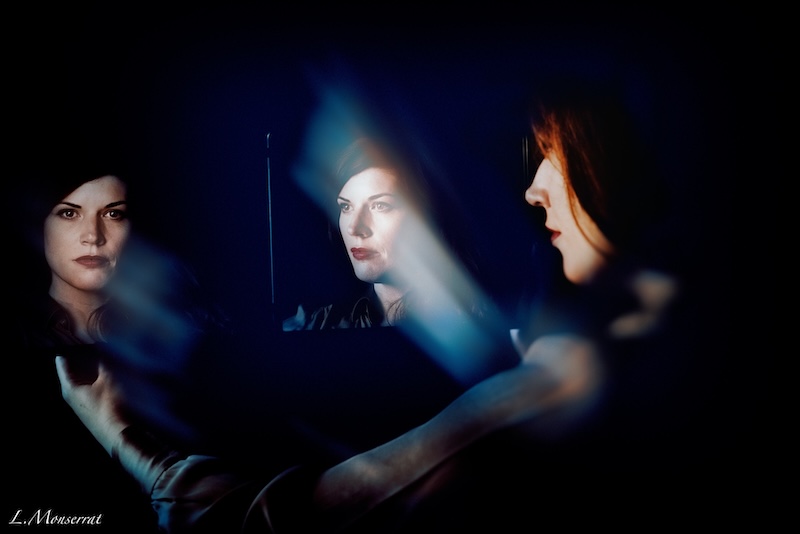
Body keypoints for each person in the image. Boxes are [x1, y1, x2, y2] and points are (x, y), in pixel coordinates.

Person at [54, 68, 736, 532]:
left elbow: (287, 520)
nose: (535, 190)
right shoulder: (320, 330)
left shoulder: (573, 355)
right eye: (343, 205)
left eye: (552, 153)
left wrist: (135, 449)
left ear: (613, 160)